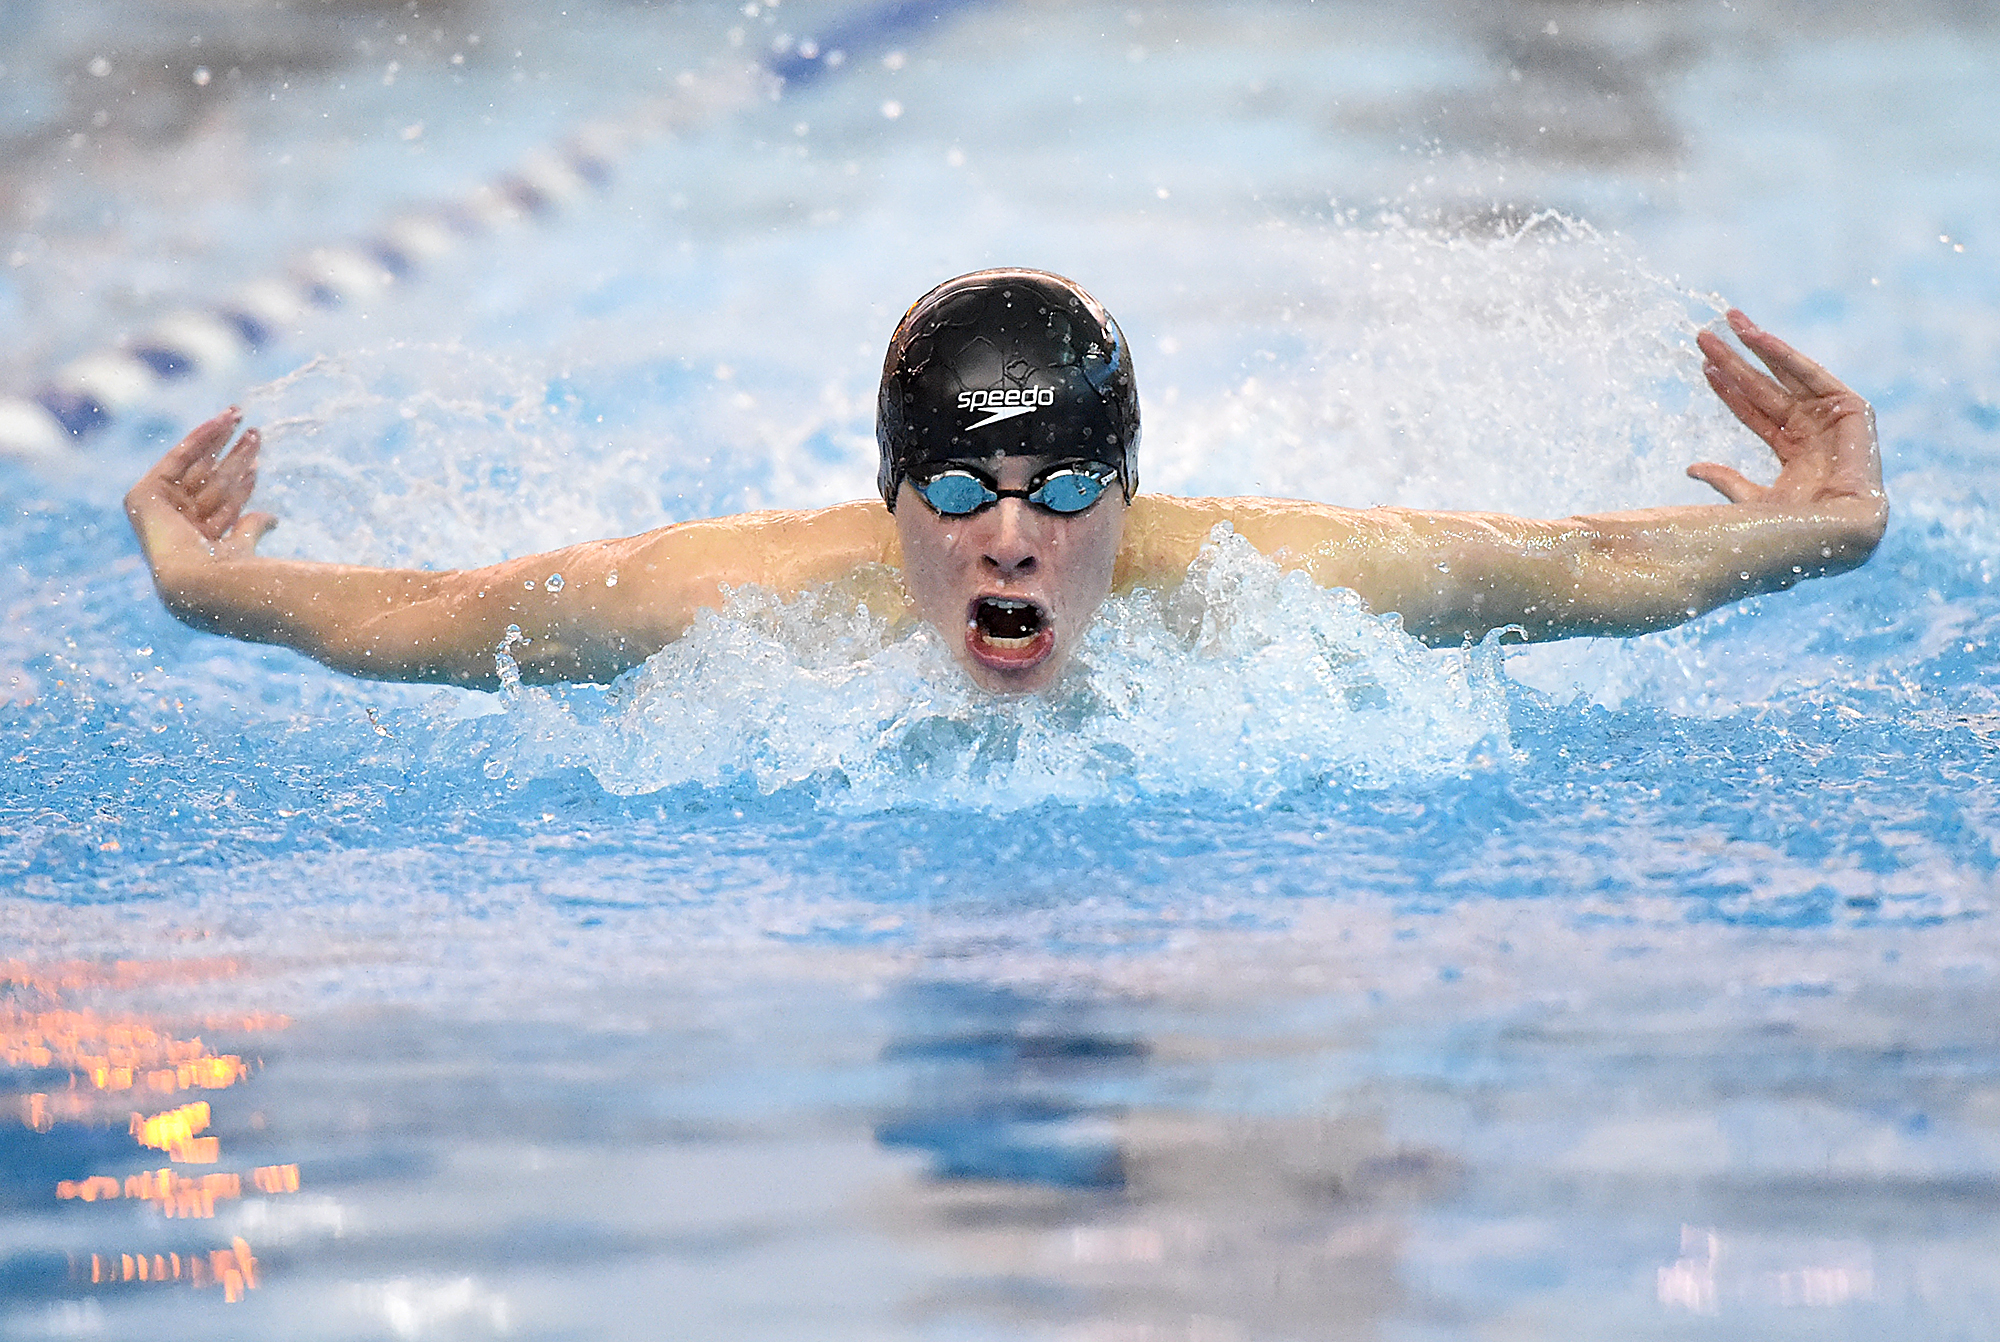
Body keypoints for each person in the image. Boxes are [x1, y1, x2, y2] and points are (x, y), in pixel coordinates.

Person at [125, 268, 1887, 695]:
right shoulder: (750, 601)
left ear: (1135, 491)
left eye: (1063, 490)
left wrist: (1818, 532)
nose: (1018, 537)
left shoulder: (1261, 581)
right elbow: (443, 617)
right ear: (889, 505)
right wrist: (212, 591)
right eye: (961, 498)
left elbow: (1578, 570)